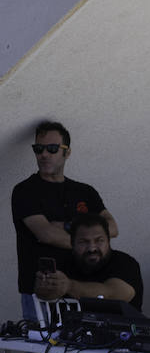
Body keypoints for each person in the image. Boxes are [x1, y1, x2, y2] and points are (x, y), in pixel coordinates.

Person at [32, 212, 147, 353]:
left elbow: (115, 293)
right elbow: (44, 294)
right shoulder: (64, 264)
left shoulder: (124, 263)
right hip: (67, 348)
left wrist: (69, 286)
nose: (92, 248)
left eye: (99, 240)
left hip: (116, 348)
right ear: (72, 243)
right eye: (84, 242)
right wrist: (45, 287)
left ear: (108, 240)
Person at [12, 121, 119, 320]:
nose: (44, 155)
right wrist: (90, 239)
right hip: (42, 291)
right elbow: (46, 234)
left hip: (82, 288)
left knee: (86, 348)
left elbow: (112, 228)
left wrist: (67, 227)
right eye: (38, 149)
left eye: (52, 149)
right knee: (42, 350)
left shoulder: (85, 192)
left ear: (67, 152)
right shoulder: (25, 191)